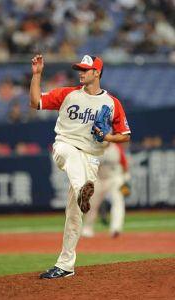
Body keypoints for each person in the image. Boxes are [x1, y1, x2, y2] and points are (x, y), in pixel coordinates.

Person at [29, 54, 131, 279]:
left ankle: (66, 265)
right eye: (79, 69)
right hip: (64, 147)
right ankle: (82, 190)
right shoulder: (68, 94)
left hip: (91, 159)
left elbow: (125, 136)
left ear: (97, 72)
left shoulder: (112, 103)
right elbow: (36, 102)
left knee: (74, 213)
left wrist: (108, 136)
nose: (81, 72)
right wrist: (36, 75)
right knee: (71, 156)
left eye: (86, 69)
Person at [82, 142, 131, 238]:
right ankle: (87, 228)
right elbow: (90, 167)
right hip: (100, 179)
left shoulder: (116, 147)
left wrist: (125, 178)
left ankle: (116, 228)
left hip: (115, 178)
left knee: (118, 201)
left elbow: (124, 163)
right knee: (92, 204)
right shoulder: (95, 148)